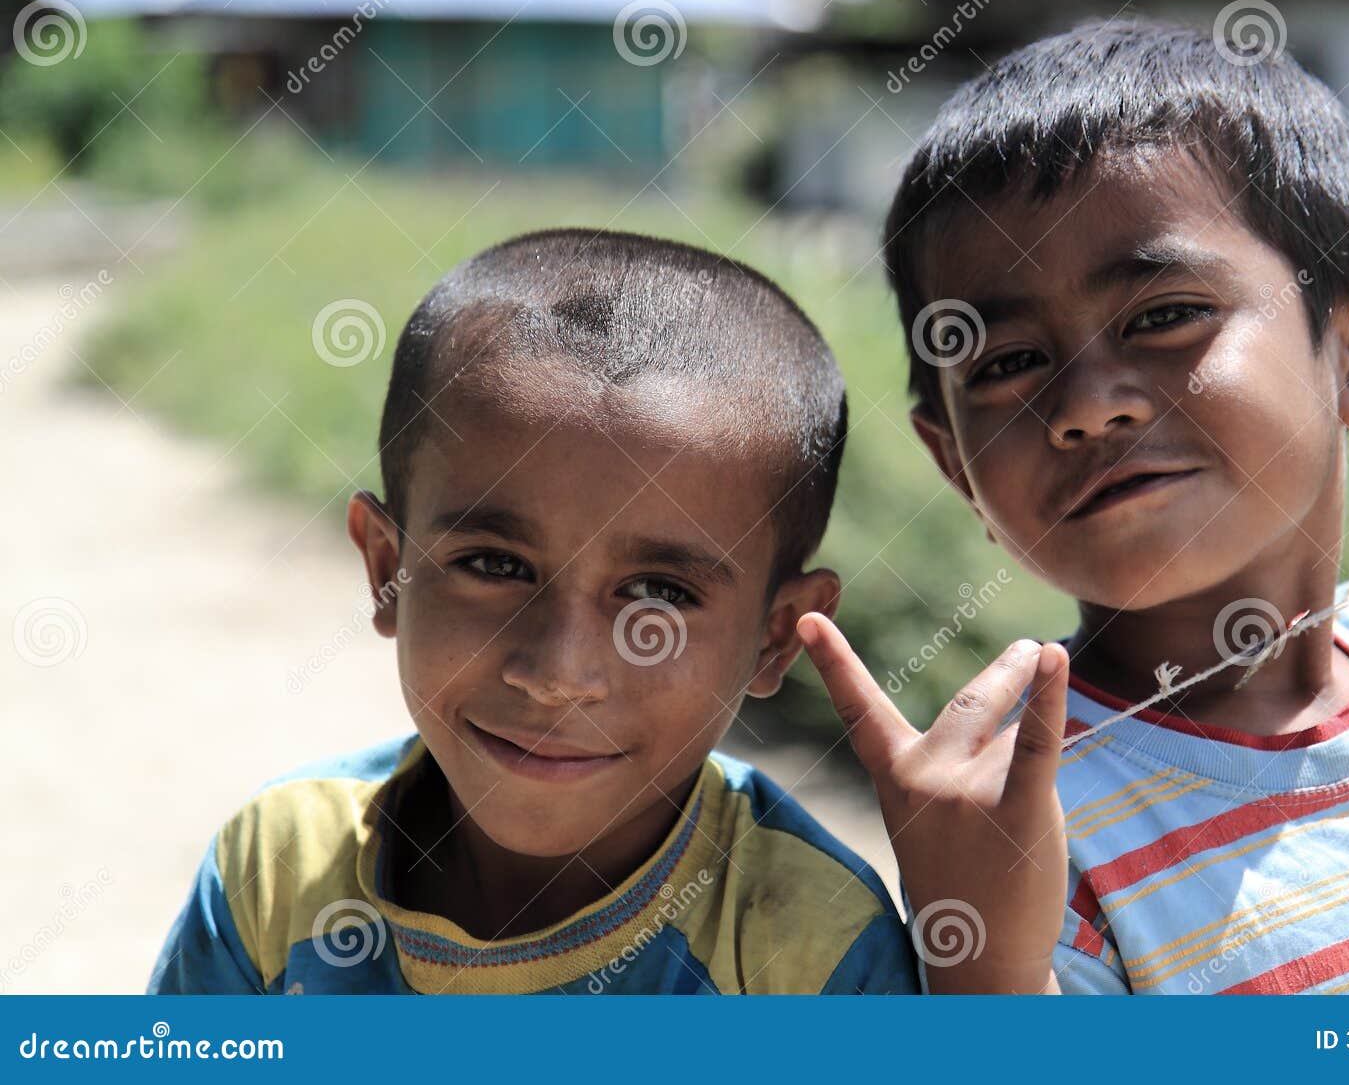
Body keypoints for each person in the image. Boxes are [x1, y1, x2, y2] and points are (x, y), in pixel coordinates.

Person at [798, 18, 1349, 994]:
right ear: (957, 466)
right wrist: (991, 964)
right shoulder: (1028, 827)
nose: (1088, 404)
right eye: (1007, 363)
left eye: (1164, 315)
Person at [150, 229, 918, 995]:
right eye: (494, 565)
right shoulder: (279, 874)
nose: (556, 673)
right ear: (388, 568)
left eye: (660, 593)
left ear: (774, 636)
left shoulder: (810, 948)